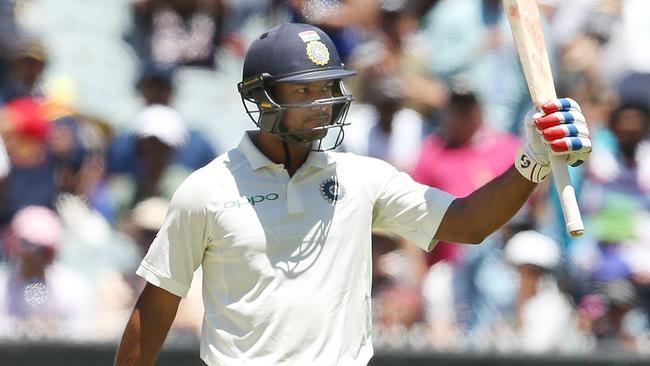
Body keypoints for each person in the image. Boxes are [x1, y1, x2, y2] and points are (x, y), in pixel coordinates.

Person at [114, 23, 592, 365]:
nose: (323, 104)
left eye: (328, 88)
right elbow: (156, 306)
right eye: (304, 92)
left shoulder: (363, 178)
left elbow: (468, 224)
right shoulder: (206, 190)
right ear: (260, 98)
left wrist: (530, 162)